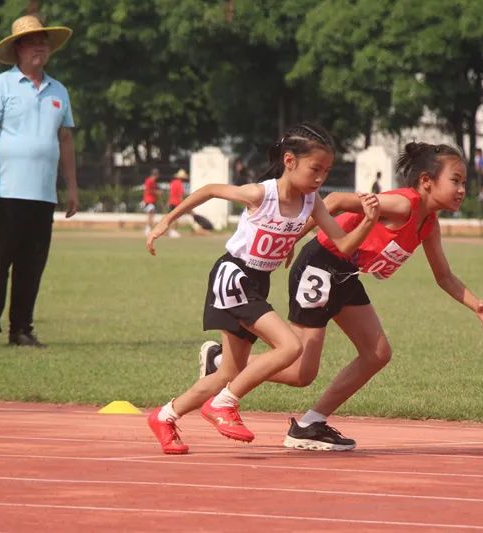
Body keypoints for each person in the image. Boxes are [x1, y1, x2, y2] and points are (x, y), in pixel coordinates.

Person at [200, 141, 483, 451]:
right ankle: (222, 361)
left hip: (345, 274)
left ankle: (309, 424)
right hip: (320, 265)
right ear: (426, 181)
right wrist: (292, 237)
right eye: (456, 180)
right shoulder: (403, 205)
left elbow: (444, 276)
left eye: (464, 182)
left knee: (377, 353)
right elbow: (335, 200)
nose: (462, 189)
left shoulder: (429, 224)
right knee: (302, 372)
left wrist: (477, 305)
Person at [144, 123, 380, 454]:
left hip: (257, 282)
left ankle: (164, 416)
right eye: (315, 168)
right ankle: (223, 404)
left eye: (326, 170)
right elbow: (210, 189)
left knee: (229, 370)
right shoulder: (261, 193)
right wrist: (165, 221)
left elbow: (341, 245)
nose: (320, 178)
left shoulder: (311, 202)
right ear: (289, 161)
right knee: (290, 347)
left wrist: (368, 221)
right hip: (234, 276)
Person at [0, 14, 78, 349]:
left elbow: (65, 141)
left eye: (44, 42)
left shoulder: (59, 91)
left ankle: (21, 328)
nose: (40, 47)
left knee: (31, 266)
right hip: (6, 192)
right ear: (18, 48)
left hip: (42, 193)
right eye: (33, 42)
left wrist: (72, 187)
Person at [142, 168, 161, 236]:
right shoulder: (150, 181)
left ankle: (148, 228)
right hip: (148, 200)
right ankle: (148, 229)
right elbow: (149, 190)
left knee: (151, 215)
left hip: (151, 200)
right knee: (151, 215)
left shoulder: (152, 181)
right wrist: (157, 192)